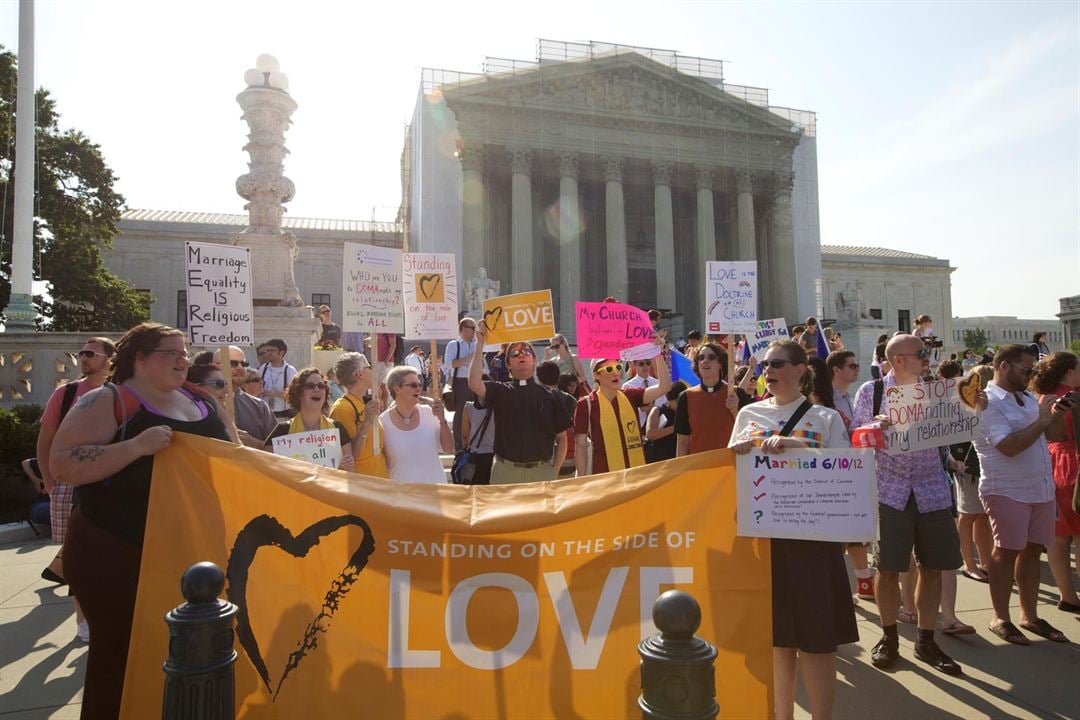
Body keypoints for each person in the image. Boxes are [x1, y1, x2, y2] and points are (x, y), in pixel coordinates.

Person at [50, 323, 230, 719]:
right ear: (140, 358)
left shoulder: (201, 399)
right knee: (123, 655)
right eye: (172, 352)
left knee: (187, 654)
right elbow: (62, 464)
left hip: (188, 552)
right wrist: (135, 447)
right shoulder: (107, 400)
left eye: (185, 352)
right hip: (116, 550)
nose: (183, 360)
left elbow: (235, 452)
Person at [729, 340, 857, 720]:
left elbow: (847, 471)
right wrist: (738, 451)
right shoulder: (748, 413)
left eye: (778, 364)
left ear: (800, 370)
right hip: (764, 542)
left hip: (813, 544)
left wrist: (797, 448)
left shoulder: (826, 418)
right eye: (766, 365)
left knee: (817, 644)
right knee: (777, 643)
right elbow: (729, 475)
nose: (768, 371)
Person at [852, 333, 963, 675]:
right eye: (922, 353)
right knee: (888, 568)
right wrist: (876, 426)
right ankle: (889, 638)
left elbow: (963, 429)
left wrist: (975, 408)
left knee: (933, 567)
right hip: (889, 491)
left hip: (931, 490)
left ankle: (926, 639)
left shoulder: (939, 392)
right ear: (899, 359)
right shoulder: (872, 393)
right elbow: (855, 439)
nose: (928, 357)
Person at [974, 344, 1070, 644]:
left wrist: (1054, 414)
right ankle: (1000, 617)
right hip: (1007, 490)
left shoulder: (1027, 397)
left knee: (1031, 551)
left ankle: (1029, 615)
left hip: (1040, 488)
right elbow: (1008, 447)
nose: (1030, 376)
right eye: (1025, 370)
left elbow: (1055, 436)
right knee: (1005, 552)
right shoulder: (986, 401)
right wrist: (1041, 419)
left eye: (1032, 371)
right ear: (1003, 366)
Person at [35, 336, 116, 644]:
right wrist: (50, 482)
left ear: (109, 359)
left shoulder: (120, 393)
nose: (84, 358)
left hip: (110, 484)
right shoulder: (66, 393)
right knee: (78, 555)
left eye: (91, 354)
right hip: (71, 483)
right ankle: (84, 620)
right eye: (82, 353)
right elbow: (46, 442)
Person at [468, 324, 571, 485]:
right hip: (505, 472)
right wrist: (480, 343)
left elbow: (562, 439)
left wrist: (553, 471)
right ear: (508, 364)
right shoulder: (501, 390)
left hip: (541, 473)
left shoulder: (550, 396)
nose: (521, 355)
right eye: (515, 353)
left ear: (534, 360)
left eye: (526, 352)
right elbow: (474, 383)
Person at [1030, 351, 1080, 613]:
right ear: (1069, 372)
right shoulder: (1073, 398)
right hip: (1074, 462)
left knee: (1058, 537)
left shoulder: (1042, 397)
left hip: (1049, 462)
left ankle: (1067, 595)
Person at [575, 353, 669, 476]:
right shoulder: (585, 405)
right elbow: (581, 446)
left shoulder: (631, 395)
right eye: (608, 369)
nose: (615, 373)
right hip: (603, 476)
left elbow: (664, 387)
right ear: (596, 375)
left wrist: (657, 354)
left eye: (617, 367)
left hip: (635, 473)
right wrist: (581, 480)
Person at [266, 368, 355, 471]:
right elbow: (267, 470)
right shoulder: (282, 431)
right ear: (299, 393)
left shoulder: (338, 429)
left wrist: (345, 467)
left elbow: (350, 474)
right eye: (310, 386)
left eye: (321, 386)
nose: (317, 389)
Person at [380, 365, 453, 483]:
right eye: (413, 385)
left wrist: (442, 420)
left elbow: (448, 448)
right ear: (397, 389)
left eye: (419, 385)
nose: (418, 389)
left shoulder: (430, 413)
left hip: (434, 492)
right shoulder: (383, 422)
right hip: (402, 495)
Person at [329, 352, 388, 478]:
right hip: (363, 483)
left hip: (380, 481)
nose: (372, 371)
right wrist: (366, 423)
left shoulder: (362, 403)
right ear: (360, 374)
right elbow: (350, 456)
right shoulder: (342, 409)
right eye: (369, 367)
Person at [675, 343, 738, 456]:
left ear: (720, 364)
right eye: (701, 357)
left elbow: (748, 432)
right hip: (699, 467)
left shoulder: (736, 394)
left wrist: (735, 411)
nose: (705, 361)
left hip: (731, 465)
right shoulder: (686, 397)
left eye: (711, 357)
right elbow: (682, 442)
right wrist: (681, 472)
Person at [213, 346, 276, 449]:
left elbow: (279, 446)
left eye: (244, 364)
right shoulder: (203, 404)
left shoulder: (260, 406)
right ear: (215, 366)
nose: (240, 368)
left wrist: (254, 443)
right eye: (233, 363)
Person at [444, 317, 480, 450]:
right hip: (461, 382)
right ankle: (459, 447)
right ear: (463, 329)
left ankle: (473, 443)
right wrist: (468, 358)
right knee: (460, 413)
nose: (473, 331)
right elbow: (449, 364)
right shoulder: (454, 345)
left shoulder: (477, 345)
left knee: (476, 412)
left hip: (476, 381)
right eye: (471, 328)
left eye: (474, 328)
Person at [538, 361, 577, 477]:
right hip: (569, 459)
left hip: (544, 459)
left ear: (539, 379)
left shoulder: (536, 399)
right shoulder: (571, 400)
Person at [460, 389, 496, 485]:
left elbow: (464, 435)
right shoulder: (498, 407)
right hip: (493, 455)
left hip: (474, 455)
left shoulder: (468, 407)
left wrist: (466, 448)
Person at [644, 382, 687, 463]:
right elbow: (650, 434)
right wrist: (675, 427)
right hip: (659, 457)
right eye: (677, 402)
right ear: (669, 400)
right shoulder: (657, 411)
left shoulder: (686, 412)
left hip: (678, 457)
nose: (680, 405)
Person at [258, 339, 298, 418]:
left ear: (281, 352)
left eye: (272, 350)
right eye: (267, 350)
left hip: (284, 413)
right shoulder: (263, 368)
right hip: (265, 412)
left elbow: (295, 393)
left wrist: (276, 394)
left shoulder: (290, 370)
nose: (268, 353)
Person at [622, 358, 661, 427]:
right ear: (635, 365)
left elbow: (662, 402)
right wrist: (640, 409)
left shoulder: (657, 383)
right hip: (638, 423)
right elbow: (625, 409)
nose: (645, 366)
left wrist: (654, 408)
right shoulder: (627, 386)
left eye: (648, 363)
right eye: (641, 364)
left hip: (657, 423)